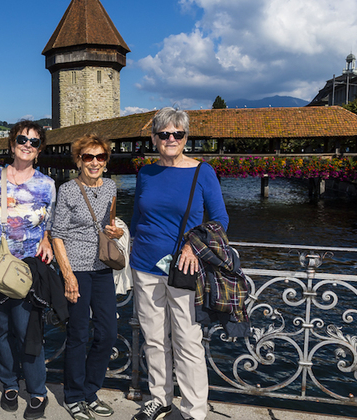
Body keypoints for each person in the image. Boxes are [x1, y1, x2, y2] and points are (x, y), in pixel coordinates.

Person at [129, 107, 229, 420]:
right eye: (164, 134)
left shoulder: (203, 172)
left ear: (186, 138)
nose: (171, 139)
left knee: (188, 340)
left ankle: (193, 410)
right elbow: (138, 215)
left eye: (178, 134)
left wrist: (193, 247)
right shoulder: (145, 172)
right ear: (154, 137)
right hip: (145, 265)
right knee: (154, 339)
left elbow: (221, 219)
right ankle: (160, 398)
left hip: (186, 269)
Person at [0, 121, 56, 419]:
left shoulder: (47, 184)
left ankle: (37, 391)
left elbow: (51, 223)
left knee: (28, 330)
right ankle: (9, 382)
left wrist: (47, 238)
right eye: (22, 139)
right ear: (12, 144)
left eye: (34, 142)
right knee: (0, 328)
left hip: (27, 268)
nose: (27, 144)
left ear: (39, 151)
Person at [51, 134, 124, 420]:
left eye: (100, 157)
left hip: (103, 268)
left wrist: (116, 232)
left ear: (106, 162)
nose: (94, 162)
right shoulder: (68, 190)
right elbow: (57, 235)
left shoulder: (110, 187)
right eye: (88, 157)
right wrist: (68, 276)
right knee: (79, 334)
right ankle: (74, 396)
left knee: (107, 333)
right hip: (77, 270)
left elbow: (110, 225)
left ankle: (91, 392)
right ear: (78, 161)